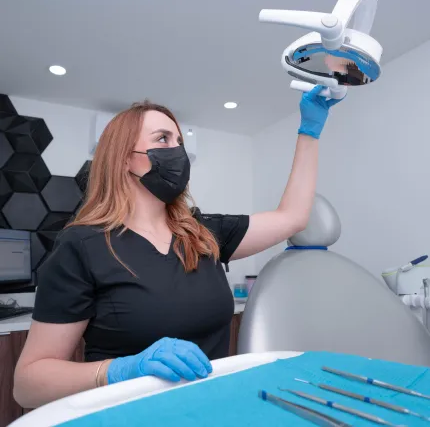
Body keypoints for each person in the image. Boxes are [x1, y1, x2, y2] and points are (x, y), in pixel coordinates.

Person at [14, 85, 342, 408]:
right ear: (125, 159)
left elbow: (293, 218)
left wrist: (309, 131)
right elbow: (28, 385)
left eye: (180, 142)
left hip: (208, 409)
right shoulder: (82, 245)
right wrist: (120, 370)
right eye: (163, 139)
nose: (178, 151)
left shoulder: (202, 233)